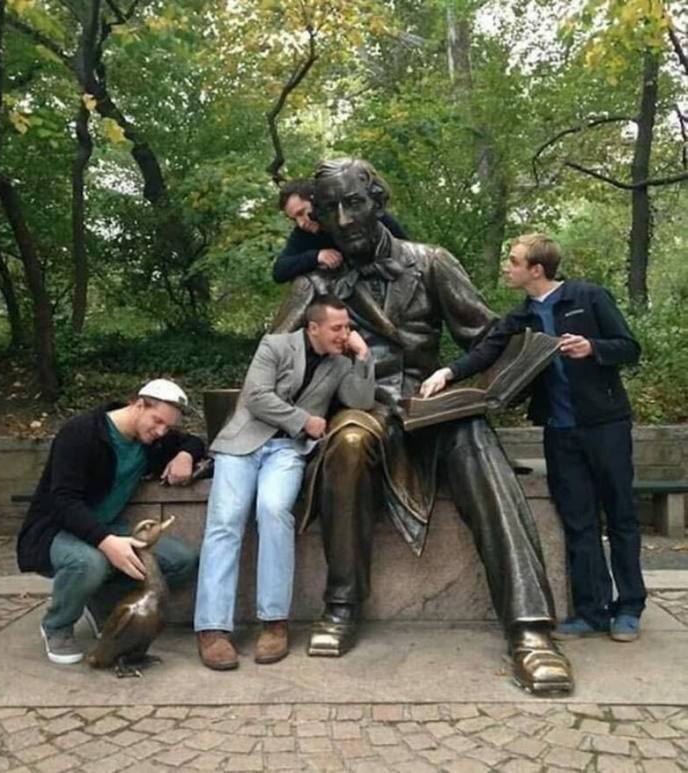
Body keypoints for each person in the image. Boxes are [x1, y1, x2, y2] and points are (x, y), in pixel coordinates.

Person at [272, 158, 573, 695]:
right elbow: (273, 360)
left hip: (431, 404)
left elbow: (487, 338)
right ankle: (341, 604)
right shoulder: (317, 280)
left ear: (379, 204)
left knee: (479, 444)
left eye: (355, 203)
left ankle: (531, 630)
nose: (345, 218)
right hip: (362, 407)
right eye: (332, 209)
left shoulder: (430, 262)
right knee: (347, 442)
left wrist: (490, 384)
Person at [421, 233, 646, 642]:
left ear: (535, 269)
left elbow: (629, 347)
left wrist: (592, 347)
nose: (507, 267)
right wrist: (447, 373)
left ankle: (628, 607)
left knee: (620, 516)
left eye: (513, 261)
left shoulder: (589, 297)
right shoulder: (520, 317)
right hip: (559, 433)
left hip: (606, 426)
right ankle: (591, 612)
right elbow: (485, 352)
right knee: (578, 522)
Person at [194, 295, 375, 671]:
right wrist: (303, 420)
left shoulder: (341, 362)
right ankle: (212, 629)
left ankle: (274, 623)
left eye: (347, 328)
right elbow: (257, 397)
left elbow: (361, 400)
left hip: (287, 452)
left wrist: (364, 357)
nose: (345, 334)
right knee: (226, 519)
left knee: (275, 511)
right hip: (242, 444)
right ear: (313, 328)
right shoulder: (274, 346)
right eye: (337, 328)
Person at [16, 379, 205, 665]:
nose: (161, 431)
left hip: (109, 528)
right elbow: (63, 500)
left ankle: (99, 600)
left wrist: (185, 454)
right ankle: (57, 625)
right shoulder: (81, 432)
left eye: (168, 426)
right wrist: (107, 543)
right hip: (57, 529)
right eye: (157, 421)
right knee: (89, 563)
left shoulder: (153, 438)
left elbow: (194, 441)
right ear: (139, 404)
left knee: (181, 560)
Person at [272, 178, 408, 284]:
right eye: (294, 218)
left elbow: (405, 246)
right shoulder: (303, 234)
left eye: (301, 213)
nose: (301, 223)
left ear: (316, 202)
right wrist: (315, 256)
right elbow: (280, 271)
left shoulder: (362, 214)